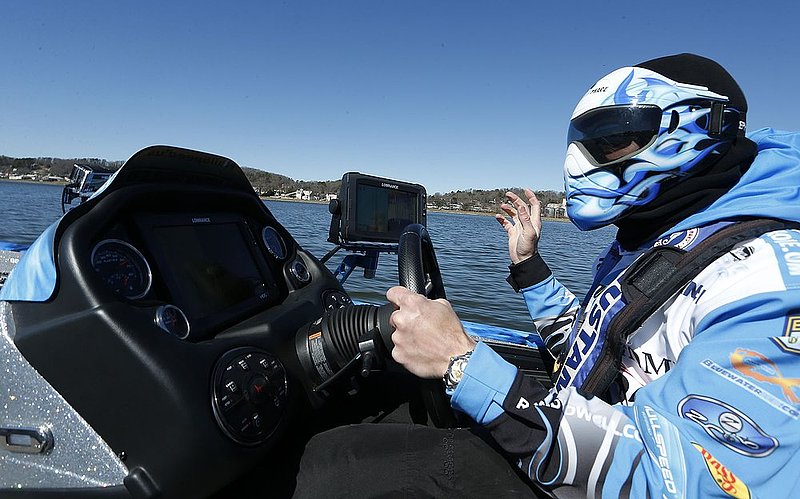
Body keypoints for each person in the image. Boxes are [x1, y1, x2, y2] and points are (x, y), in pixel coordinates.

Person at [294, 53, 800, 498]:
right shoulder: (658, 238)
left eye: (611, 140)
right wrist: (528, 265)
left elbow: (689, 480)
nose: (576, 163)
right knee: (386, 400)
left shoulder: (768, 278)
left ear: (699, 125)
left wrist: (462, 363)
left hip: (602, 470)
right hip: (575, 427)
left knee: (335, 461)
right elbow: (595, 350)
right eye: (578, 142)